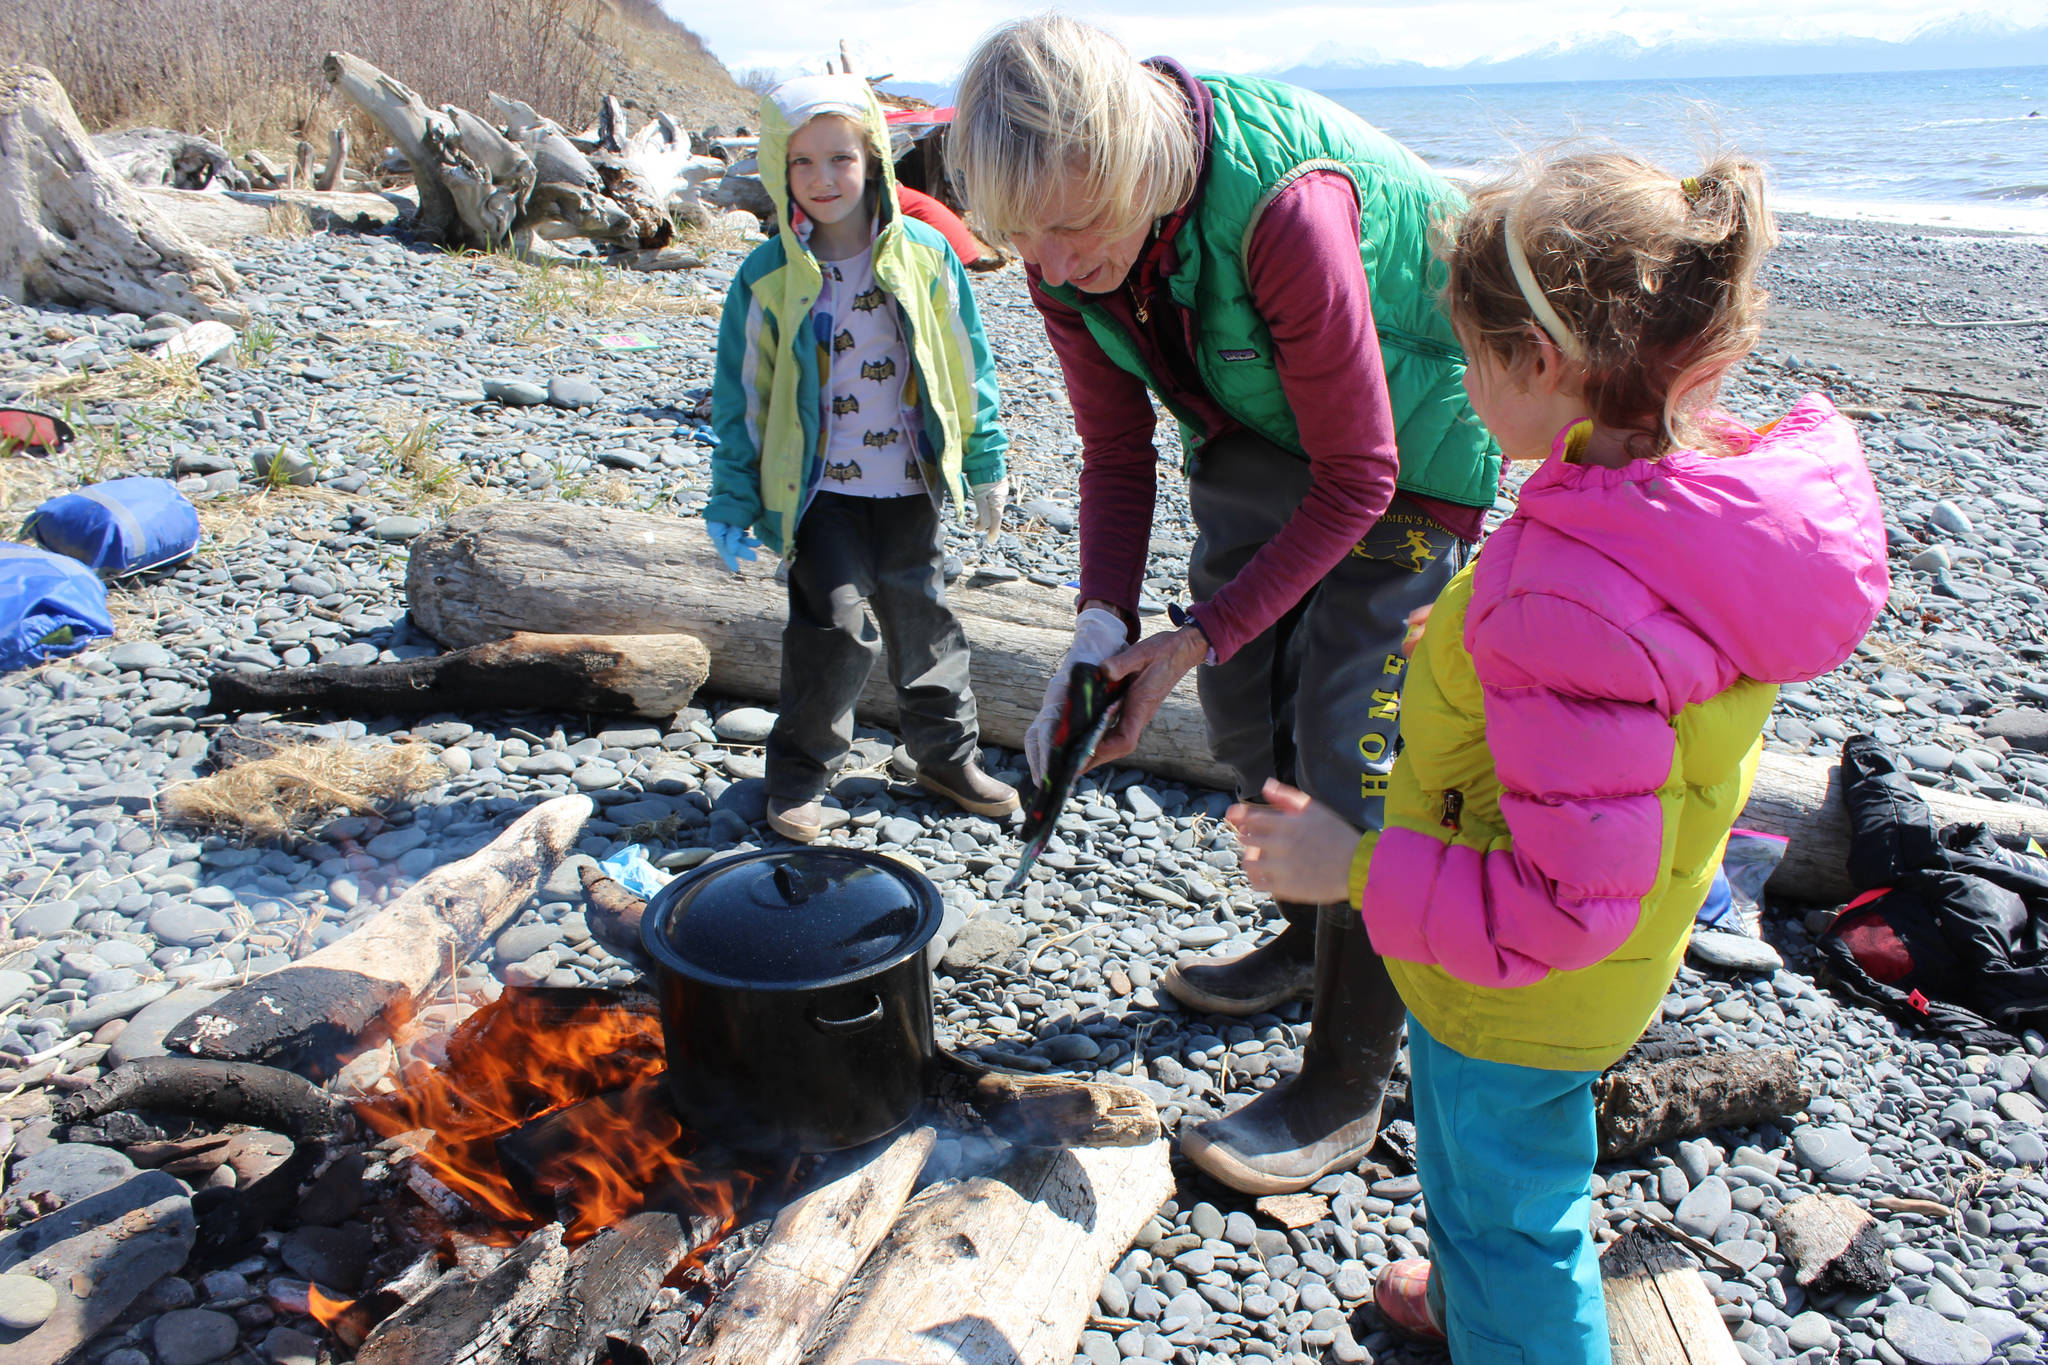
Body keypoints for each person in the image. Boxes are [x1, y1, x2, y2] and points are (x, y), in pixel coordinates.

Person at [1229, 150, 1889, 1359]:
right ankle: (1485, 1295)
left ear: (1537, 364)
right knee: (1506, 1170)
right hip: (1590, 975)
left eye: (1470, 360)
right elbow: (1627, 672)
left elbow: (1559, 904)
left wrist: (1354, 866)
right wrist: (1488, 626)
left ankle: (1512, 1313)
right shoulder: (1679, 502)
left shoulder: (1567, 597)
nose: (1462, 382)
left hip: (1512, 986)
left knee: (1505, 1202)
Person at [950, 14, 1501, 1193]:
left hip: (1409, 451)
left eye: (1070, 225)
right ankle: (1309, 943)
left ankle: (1343, 1079)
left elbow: (1358, 473)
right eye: (1021, 236)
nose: (1047, 261)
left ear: (1138, 159)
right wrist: (1103, 631)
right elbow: (1113, 453)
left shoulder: (1281, 206)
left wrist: (1193, 634)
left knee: (1352, 742)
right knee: (1246, 711)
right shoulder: (1064, 249)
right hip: (1256, 424)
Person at [703, 74, 1018, 843]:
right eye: (802, 162)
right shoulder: (768, 277)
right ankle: (801, 773)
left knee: (928, 621)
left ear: (873, 158)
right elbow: (742, 398)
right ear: (781, 170)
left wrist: (986, 460)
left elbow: (965, 363)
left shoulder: (927, 256)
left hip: (913, 484)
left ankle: (944, 755)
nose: (822, 179)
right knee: (832, 628)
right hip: (822, 493)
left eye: (840, 158)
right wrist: (733, 499)